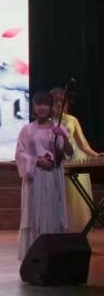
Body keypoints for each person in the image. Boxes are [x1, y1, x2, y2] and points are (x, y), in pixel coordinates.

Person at [15, 91, 72, 260]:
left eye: (45, 104)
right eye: (38, 104)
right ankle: (35, 257)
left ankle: (54, 256)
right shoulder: (27, 130)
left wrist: (64, 137)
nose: (42, 107)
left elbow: (69, 153)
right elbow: (19, 154)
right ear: (34, 107)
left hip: (53, 178)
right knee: (35, 215)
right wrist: (37, 161)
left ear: (51, 107)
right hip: (36, 178)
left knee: (53, 214)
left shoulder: (57, 127)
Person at [50, 87, 99, 233]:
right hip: (54, 163)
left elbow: (82, 145)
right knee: (56, 197)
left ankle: (75, 231)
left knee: (73, 197)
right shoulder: (47, 121)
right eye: (55, 102)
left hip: (71, 161)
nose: (59, 104)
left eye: (62, 102)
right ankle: (56, 230)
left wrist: (96, 156)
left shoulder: (72, 120)